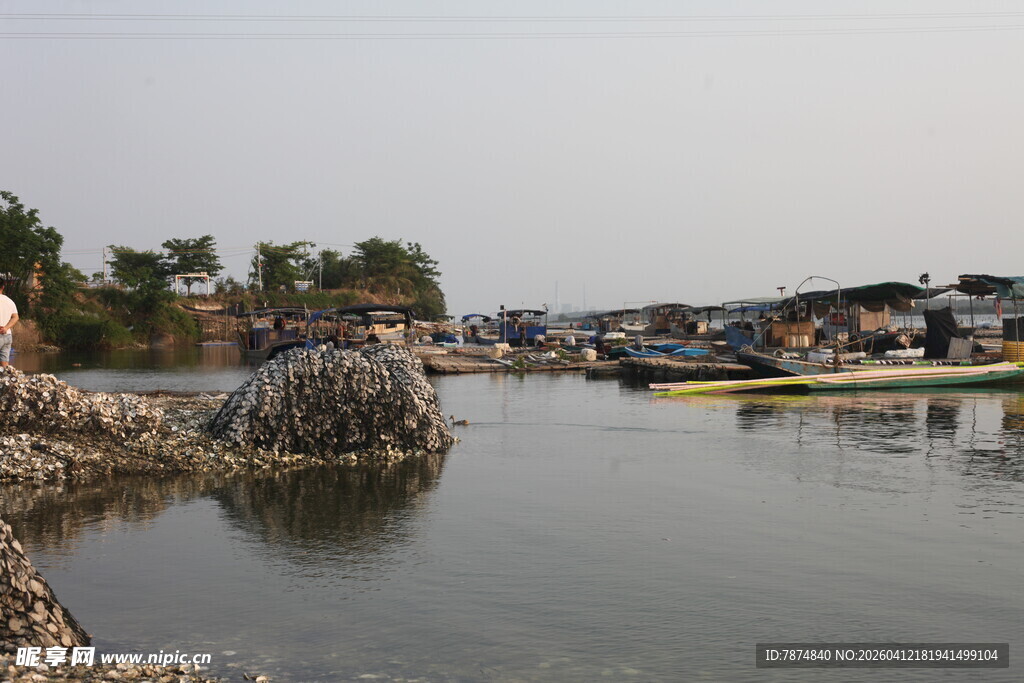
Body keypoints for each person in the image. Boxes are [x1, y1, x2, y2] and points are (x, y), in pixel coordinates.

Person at [0, 280, 19, 368]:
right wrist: (6, 328)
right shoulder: (10, 301)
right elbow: (15, 317)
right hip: (7, 335)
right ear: (3, 287)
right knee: (4, 364)